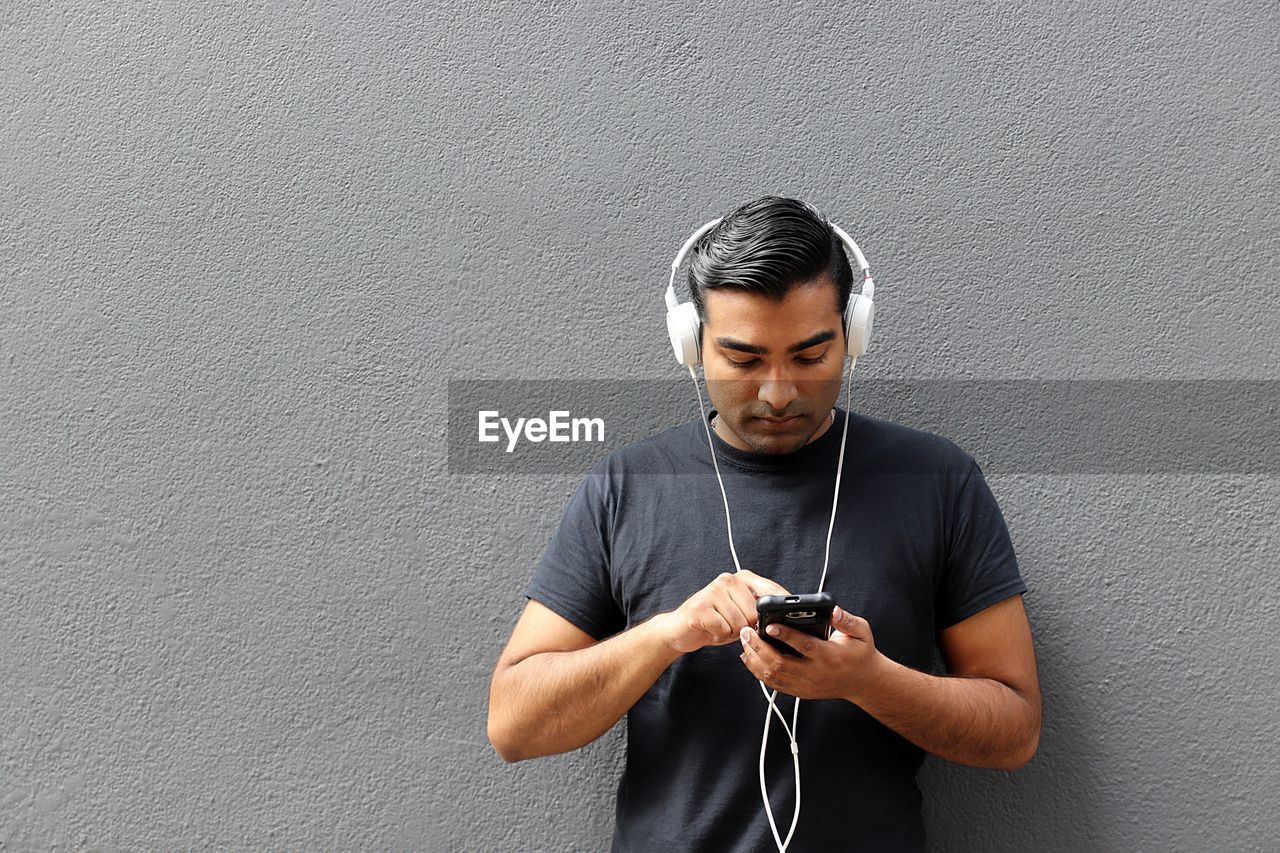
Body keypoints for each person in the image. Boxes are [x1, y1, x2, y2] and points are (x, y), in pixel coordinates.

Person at [486, 196, 1041, 852]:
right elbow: (513, 723)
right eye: (744, 360)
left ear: (852, 335)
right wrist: (667, 634)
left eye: (810, 357)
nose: (778, 391)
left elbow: (1015, 731)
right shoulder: (627, 486)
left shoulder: (936, 482)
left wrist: (867, 679)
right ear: (692, 346)